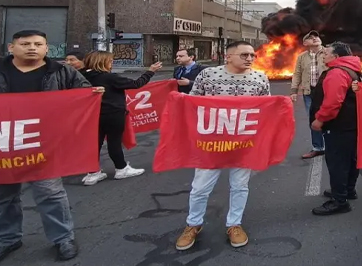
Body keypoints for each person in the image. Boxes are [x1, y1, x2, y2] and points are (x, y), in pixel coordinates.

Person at [0, 30, 97, 262]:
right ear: (11, 48)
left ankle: (63, 238)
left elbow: (81, 94)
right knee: (4, 196)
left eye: (38, 44)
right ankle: (8, 238)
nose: (32, 47)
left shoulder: (63, 71)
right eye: (25, 44)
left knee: (50, 194)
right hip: (5, 143)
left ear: (46, 48)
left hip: (45, 144)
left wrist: (91, 95)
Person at [175, 41, 270, 251]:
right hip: (211, 144)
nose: (250, 59)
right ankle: (193, 224)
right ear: (228, 56)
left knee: (239, 186)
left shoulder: (260, 77)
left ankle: (234, 224)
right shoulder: (208, 75)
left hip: (244, 144)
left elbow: (265, 109)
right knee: (200, 187)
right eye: (244, 55)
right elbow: (193, 104)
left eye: (252, 55)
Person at [80, 51, 162, 186]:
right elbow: (136, 84)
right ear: (102, 62)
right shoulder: (109, 78)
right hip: (113, 113)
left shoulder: (82, 76)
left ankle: (93, 173)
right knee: (114, 142)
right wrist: (150, 71)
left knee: (95, 143)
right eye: (110, 61)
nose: (111, 63)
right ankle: (121, 168)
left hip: (92, 115)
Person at [309, 42, 362, 216]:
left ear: (336, 57)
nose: (323, 55)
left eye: (326, 53)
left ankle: (339, 201)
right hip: (354, 124)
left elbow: (332, 102)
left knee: (337, 163)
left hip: (338, 126)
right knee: (351, 160)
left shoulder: (336, 73)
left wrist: (320, 120)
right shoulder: (354, 70)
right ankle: (348, 190)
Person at [291, 30, 327, 159]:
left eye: (316, 37)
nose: (315, 38)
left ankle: (331, 146)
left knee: (330, 118)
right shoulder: (302, 57)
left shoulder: (329, 52)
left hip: (326, 92)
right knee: (313, 120)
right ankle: (318, 147)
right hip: (309, 92)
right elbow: (297, 74)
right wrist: (294, 91)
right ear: (305, 43)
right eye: (311, 38)